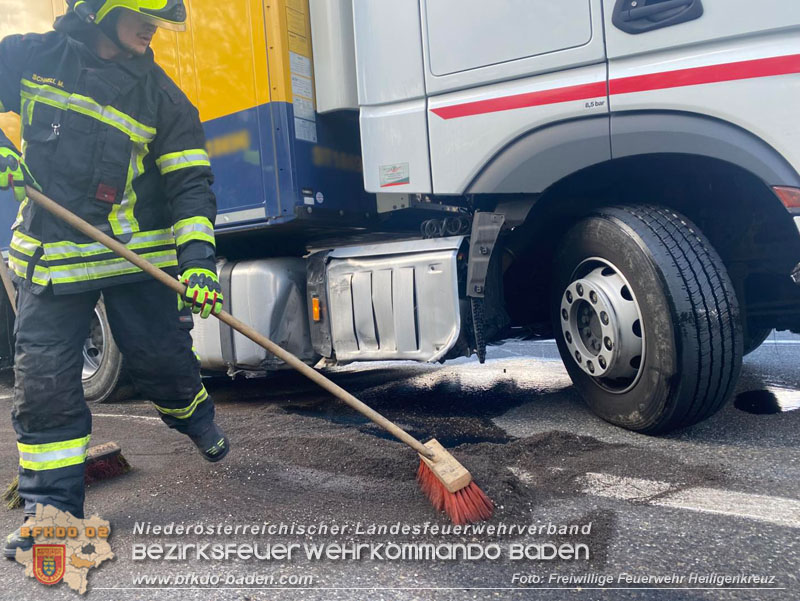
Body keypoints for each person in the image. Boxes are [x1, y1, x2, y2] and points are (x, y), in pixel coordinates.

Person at [0, 0, 230, 558]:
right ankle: (52, 513)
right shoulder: (30, 58)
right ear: (101, 10)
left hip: (134, 258)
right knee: (46, 383)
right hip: (52, 259)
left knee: (161, 363)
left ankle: (195, 417)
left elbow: (191, 186)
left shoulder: (164, 97)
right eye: (142, 15)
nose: (153, 29)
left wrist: (197, 260)